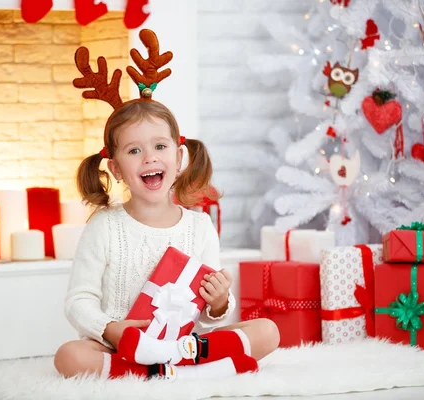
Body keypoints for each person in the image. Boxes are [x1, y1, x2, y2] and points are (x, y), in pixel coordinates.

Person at [53, 29, 280, 382]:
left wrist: (219, 302)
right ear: (115, 168)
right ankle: (168, 366)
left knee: (268, 331)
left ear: (178, 156)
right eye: (133, 150)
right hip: (119, 344)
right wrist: (111, 329)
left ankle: (159, 365)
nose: (149, 158)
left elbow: (206, 316)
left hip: (183, 340)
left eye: (159, 147)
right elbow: (78, 300)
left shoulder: (199, 227)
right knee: (69, 356)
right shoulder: (105, 226)